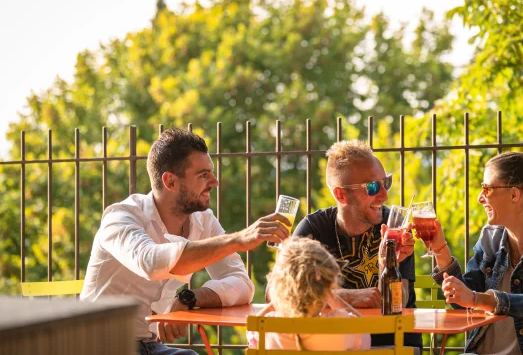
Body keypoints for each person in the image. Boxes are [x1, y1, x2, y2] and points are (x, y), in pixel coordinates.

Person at [80, 128, 292, 355]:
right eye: (203, 175)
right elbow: (150, 262)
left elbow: (241, 284)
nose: (215, 182)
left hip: (149, 347)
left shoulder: (203, 221)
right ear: (170, 181)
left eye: (211, 173)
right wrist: (239, 239)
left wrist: (188, 297)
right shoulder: (121, 217)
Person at [431, 144, 523, 355]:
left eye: (487, 188)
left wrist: (477, 299)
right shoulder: (490, 237)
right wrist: (439, 249)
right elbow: (464, 304)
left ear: (514, 195)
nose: (480, 198)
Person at [292, 139, 421, 350]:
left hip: (393, 345)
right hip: (336, 346)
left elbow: (402, 300)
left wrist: (387, 265)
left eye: (385, 182)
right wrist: (344, 296)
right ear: (340, 194)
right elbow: (276, 293)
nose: (384, 194)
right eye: (372, 187)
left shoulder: (394, 226)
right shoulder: (313, 230)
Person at [247, 237, 371, 351]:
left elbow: (252, 330)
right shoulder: (340, 326)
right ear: (329, 286)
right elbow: (365, 332)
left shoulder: (269, 327)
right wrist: (331, 295)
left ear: (281, 287)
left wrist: (279, 299)